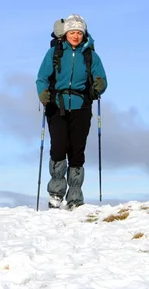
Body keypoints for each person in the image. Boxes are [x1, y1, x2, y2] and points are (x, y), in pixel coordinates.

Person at [36, 14, 108, 209]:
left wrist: (100, 85)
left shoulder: (90, 55)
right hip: (56, 105)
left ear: (83, 34)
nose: (75, 36)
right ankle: (56, 194)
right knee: (59, 148)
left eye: (78, 32)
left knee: (77, 152)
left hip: (81, 106)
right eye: (72, 32)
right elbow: (42, 77)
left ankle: (75, 196)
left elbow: (102, 79)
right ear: (66, 33)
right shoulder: (54, 53)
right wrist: (43, 94)